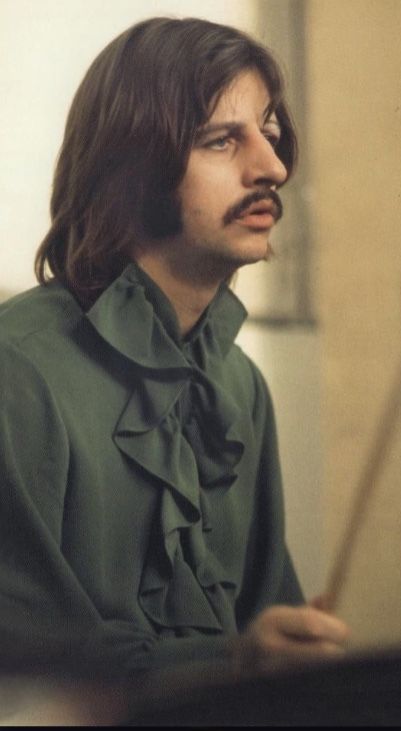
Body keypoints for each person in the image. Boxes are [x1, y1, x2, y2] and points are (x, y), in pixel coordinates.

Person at [0, 16, 349, 683]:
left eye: (270, 134)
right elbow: (21, 659)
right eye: (223, 140)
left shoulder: (240, 385)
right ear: (131, 166)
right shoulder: (16, 369)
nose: (272, 167)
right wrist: (229, 659)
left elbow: (265, 630)